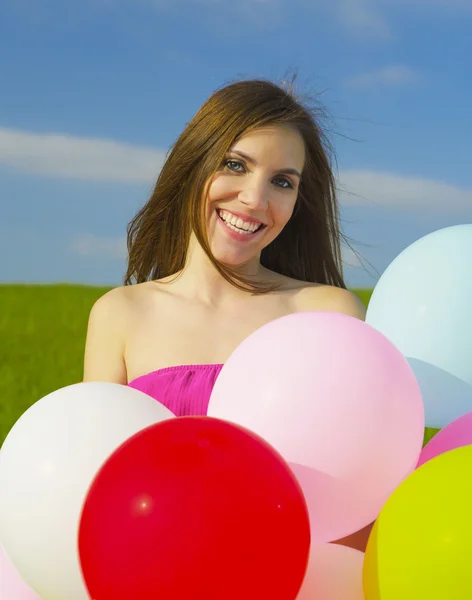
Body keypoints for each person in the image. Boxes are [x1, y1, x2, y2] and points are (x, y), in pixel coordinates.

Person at [83, 76, 370, 549]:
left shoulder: (327, 314)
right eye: (236, 165)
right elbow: (93, 487)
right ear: (194, 165)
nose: (255, 200)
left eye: (282, 182)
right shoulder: (121, 315)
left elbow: (359, 494)